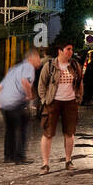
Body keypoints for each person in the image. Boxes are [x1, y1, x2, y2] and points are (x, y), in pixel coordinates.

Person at [37, 42, 83, 172]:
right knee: (48, 133)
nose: (71, 52)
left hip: (70, 102)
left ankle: (68, 160)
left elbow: (80, 83)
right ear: (60, 50)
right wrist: (44, 100)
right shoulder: (50, 66)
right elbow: (41, 84)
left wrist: (78, 98)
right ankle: (45, 163)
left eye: (72, 49)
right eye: (68, 49)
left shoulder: (74, 65)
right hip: (53, 102)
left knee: (70, 132)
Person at [0, 49, 40, 163]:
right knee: (22, 129)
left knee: (10, 129)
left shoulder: (14, 68)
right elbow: (25, 82)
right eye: (38, 58)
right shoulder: (29, 66)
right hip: (16, 102)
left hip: (4, 102)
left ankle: (8, 156)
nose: (39, 61)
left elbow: (1, 85)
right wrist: (30, 96)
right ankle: (19, 156)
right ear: (31, 58)